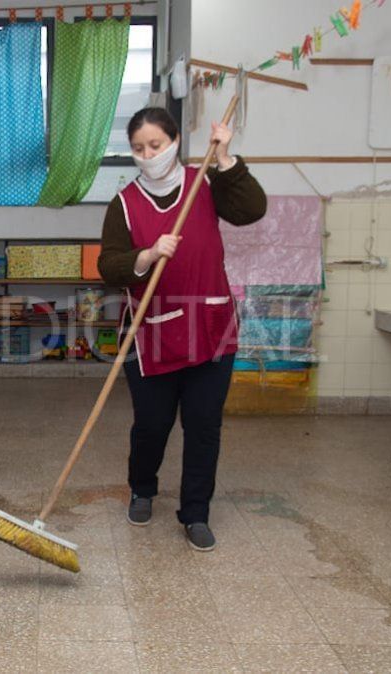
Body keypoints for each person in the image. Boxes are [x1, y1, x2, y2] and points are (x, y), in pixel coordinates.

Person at [98, 107, 266, 551]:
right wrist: (148, 255)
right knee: (152, 425)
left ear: (174, 141)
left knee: (203, 425)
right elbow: (108, 265)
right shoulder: (125, 204)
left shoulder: (205, 184)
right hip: (149, 335)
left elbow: (251, 210)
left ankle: (196, 512)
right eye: (138, 148)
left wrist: (226, 158)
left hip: (210, 329)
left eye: (155, 145)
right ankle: (142, 488)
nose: (147, 154)